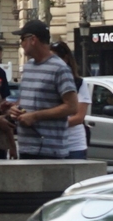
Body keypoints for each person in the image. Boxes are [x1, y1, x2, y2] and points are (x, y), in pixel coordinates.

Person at [10, 20, 83, 160]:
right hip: (26, 147)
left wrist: (35, 116)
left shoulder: (59, 68)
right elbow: (25, 100)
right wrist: (14, 108)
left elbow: (72, 107)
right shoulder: (28, 66)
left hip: (50, 150)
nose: (21, 43)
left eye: (22, 38)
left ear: (33, 39)